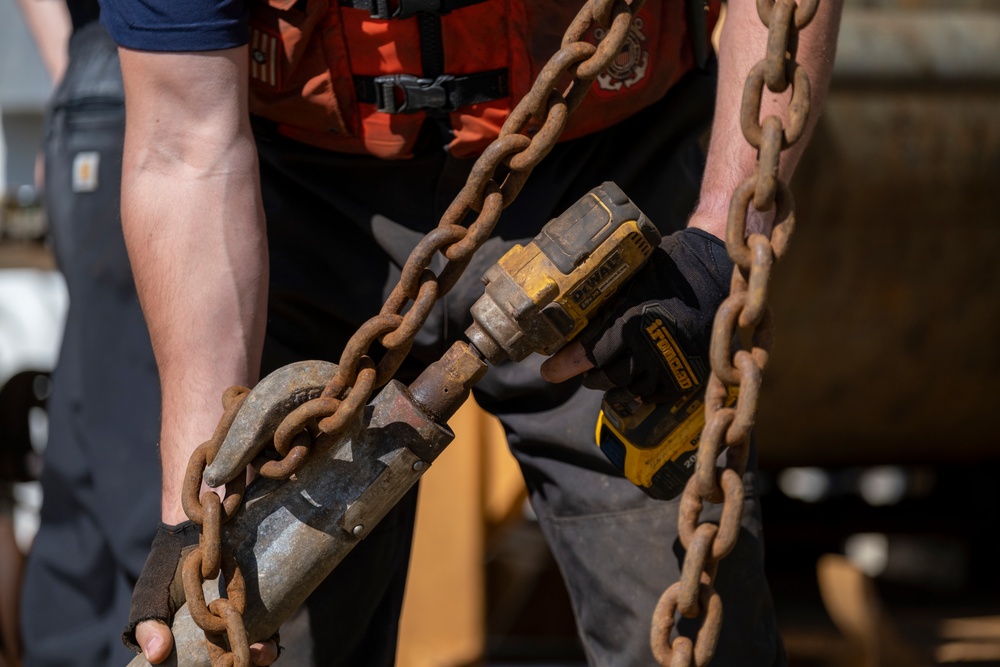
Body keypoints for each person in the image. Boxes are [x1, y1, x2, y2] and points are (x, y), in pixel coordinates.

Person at [102, 0, 843, 665]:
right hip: (300, 199)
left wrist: (716, 238)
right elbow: (184, 143)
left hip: (606, 159)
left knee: (685, 617)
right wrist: (199, 507)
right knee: (264, 622)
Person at [15, 1, 163, 665]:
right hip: (150, 91)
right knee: (136, 450)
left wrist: (70, 73)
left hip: (98, 88)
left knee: (89, 427)